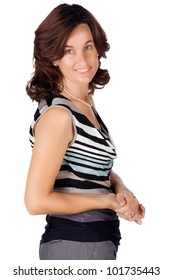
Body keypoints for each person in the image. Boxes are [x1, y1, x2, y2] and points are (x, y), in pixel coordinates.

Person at [24, 3, 145, 260]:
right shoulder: (59, 115)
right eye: (69, 50)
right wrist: (109, 202)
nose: (83, 59)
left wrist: (121, 190)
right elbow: (35, 201)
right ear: (53, 56)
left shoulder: (83, 104)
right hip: (77, 242)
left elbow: (91, 168)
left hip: (92, 242)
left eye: (88, 47)